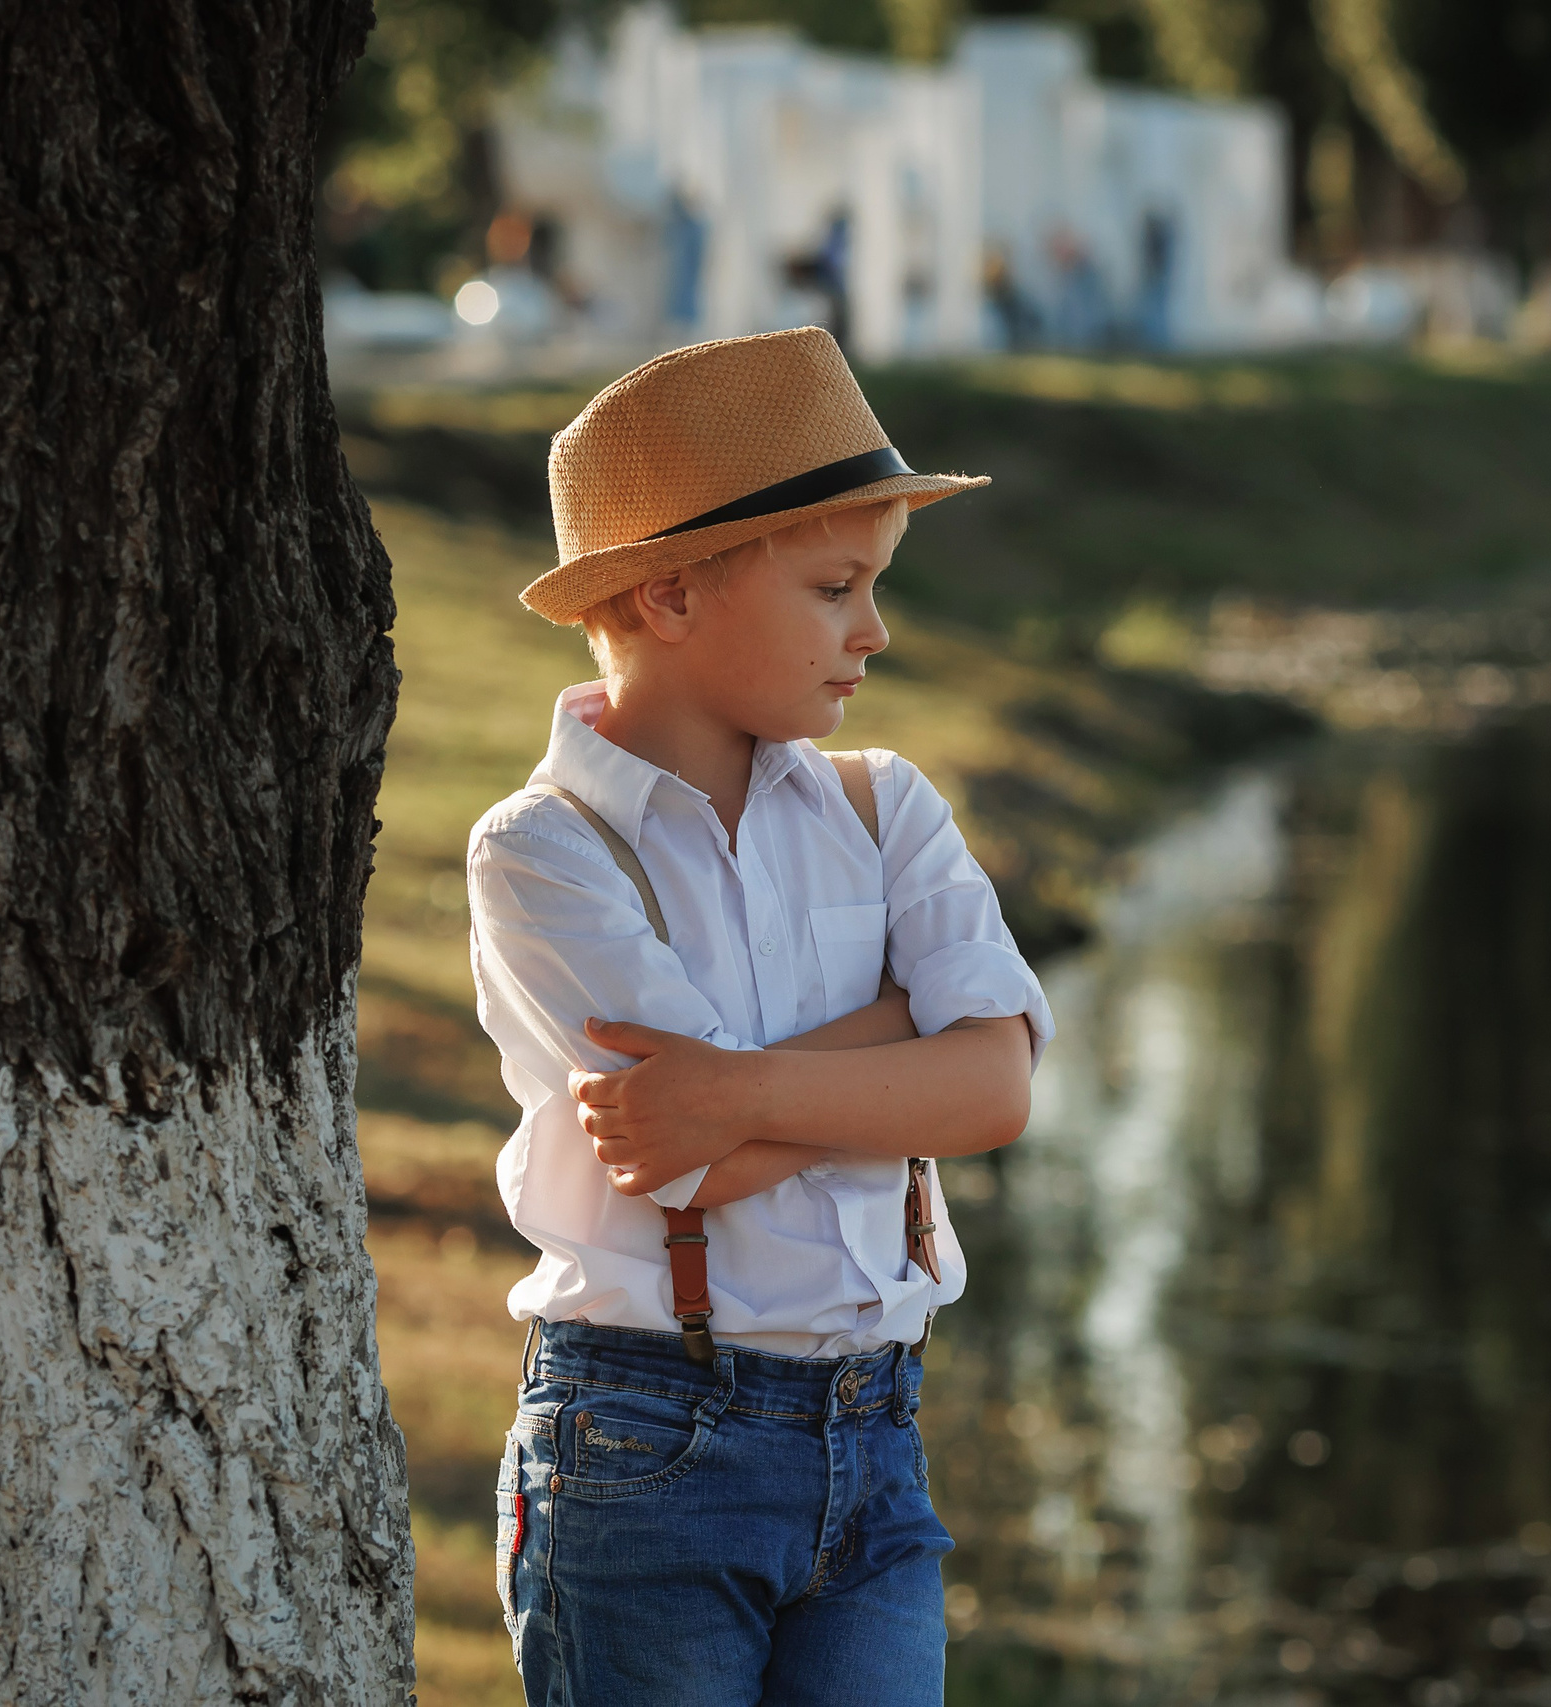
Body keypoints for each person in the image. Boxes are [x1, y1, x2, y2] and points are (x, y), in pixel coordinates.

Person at [467, 326, 1051, 1705]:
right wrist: (903, 1035)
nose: (876, 632)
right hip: (643, 1449)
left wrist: (737, 1087)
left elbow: (993, 1096)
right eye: (836, 587)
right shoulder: (541, 852)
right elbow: (689, 1160)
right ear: (668, 596)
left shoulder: (884, 804)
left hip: (878, 1435)